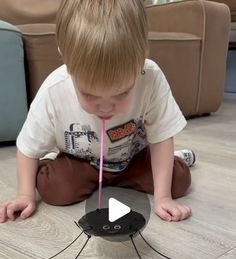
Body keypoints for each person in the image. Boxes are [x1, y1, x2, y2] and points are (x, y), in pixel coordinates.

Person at [0, 0, 195, 224]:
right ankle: (54, 160)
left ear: (141, 58)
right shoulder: (54, 91)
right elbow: (27, 147)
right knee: (54, 189)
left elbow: (161, 137)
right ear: (66, 58)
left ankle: (177, 158)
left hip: (133, 158)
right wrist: (25, 195)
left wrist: (163, 197)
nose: (105, 108)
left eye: (122, 93)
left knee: (178, 181)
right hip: (82, 162)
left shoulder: (150, 77)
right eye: (89, 95)